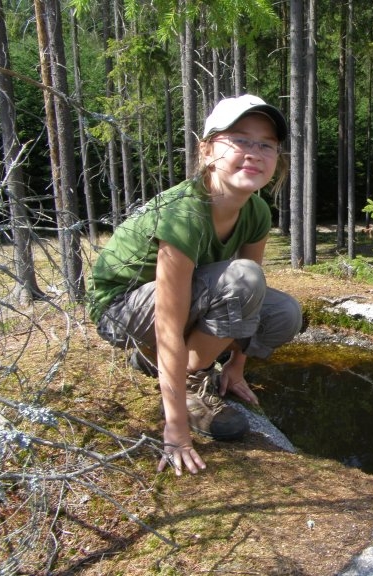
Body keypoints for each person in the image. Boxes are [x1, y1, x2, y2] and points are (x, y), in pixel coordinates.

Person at [87, 94, 302, 476]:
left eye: (266, 145)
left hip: (185, 298)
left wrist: (237, 366)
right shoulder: (184, 213)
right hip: (121, 308)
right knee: (242, 279)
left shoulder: (256, 211)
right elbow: (170, 323)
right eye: (240, 140)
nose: (254, 153)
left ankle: (160, 361)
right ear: (207, 151)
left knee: (285, 313)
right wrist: (176, 429)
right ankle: (183, 381)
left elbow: (250, 301)